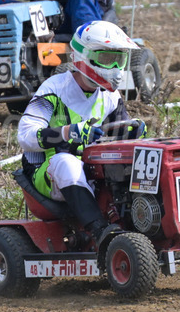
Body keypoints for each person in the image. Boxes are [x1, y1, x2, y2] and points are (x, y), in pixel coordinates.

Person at [16, 20, 146, 249]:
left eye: (119, 59)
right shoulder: (53, 89)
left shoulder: (110, 97)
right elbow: (25, 136)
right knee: (66, 162)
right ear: (83, 57)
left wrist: (131, 134)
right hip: (46, 173)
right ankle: (99, 230)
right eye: (107, 59)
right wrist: (69, 132)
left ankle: (145, 220)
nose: (115, 67)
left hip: (92, 169)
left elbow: (121, 142)